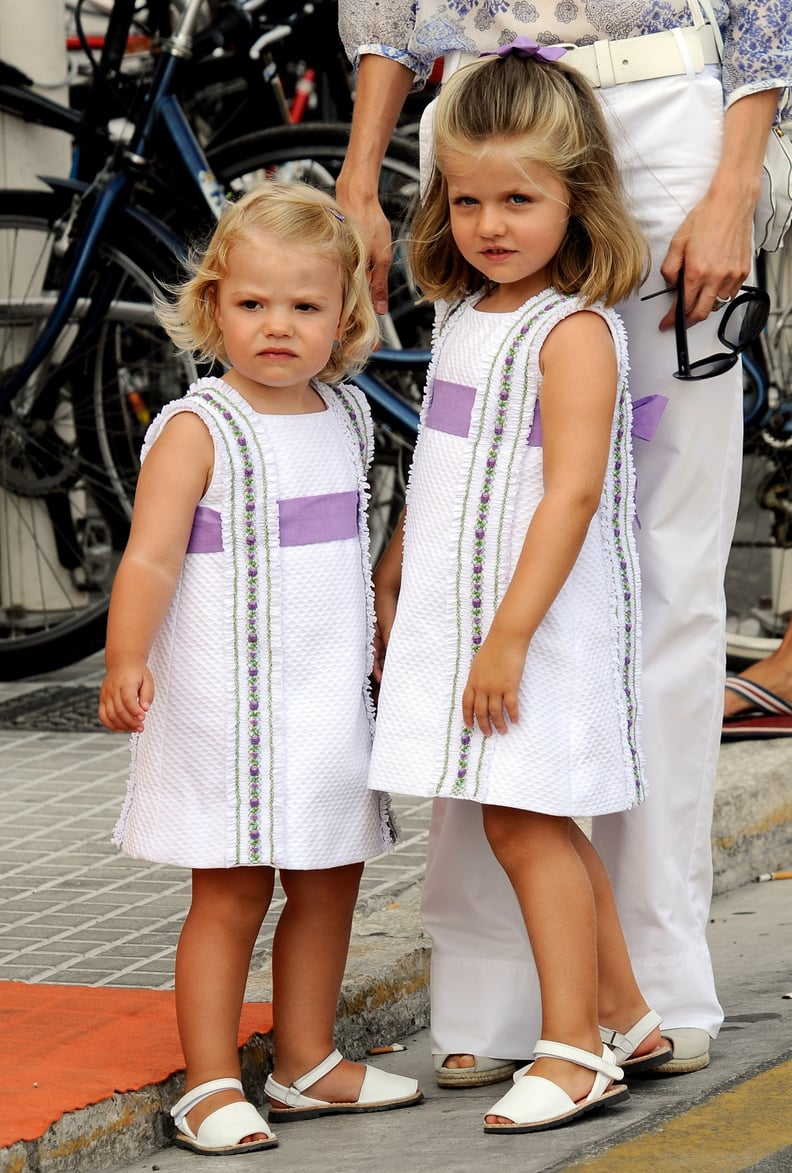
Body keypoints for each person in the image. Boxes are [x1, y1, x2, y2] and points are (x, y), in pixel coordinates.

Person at [337, 0, 791, 1085]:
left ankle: (654, 986)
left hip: (673, 129)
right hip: (491, 117)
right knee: (475, 546)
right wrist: (361, 172)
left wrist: (740, 182)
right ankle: (494, 990)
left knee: (670, 589)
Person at [368, 45, 674, 1133]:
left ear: (577, 200)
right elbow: (445, 471)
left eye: (520, 198)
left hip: (535, 627)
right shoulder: (464, 322)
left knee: (528, 824)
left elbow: (573, 499)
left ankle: (574, 1050)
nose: (490, 224)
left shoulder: (573, 333)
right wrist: (396, 562)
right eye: (467, 200)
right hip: (473, 619)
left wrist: (506, 640)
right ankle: (628, 1015)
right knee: (531, 823)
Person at [98, 181, 423, 1157]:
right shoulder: (200, 428)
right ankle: (206, 1083)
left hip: (324, 695)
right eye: (251, 304)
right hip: (225, 702)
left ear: (346, 317)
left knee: (329, 878)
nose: (276, 326)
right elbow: (152, 557)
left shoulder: (347, 417)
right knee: (233, 888)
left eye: (304, 306)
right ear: (213, 308)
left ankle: (307, 1059)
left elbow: (353, 559)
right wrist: (123, 655)